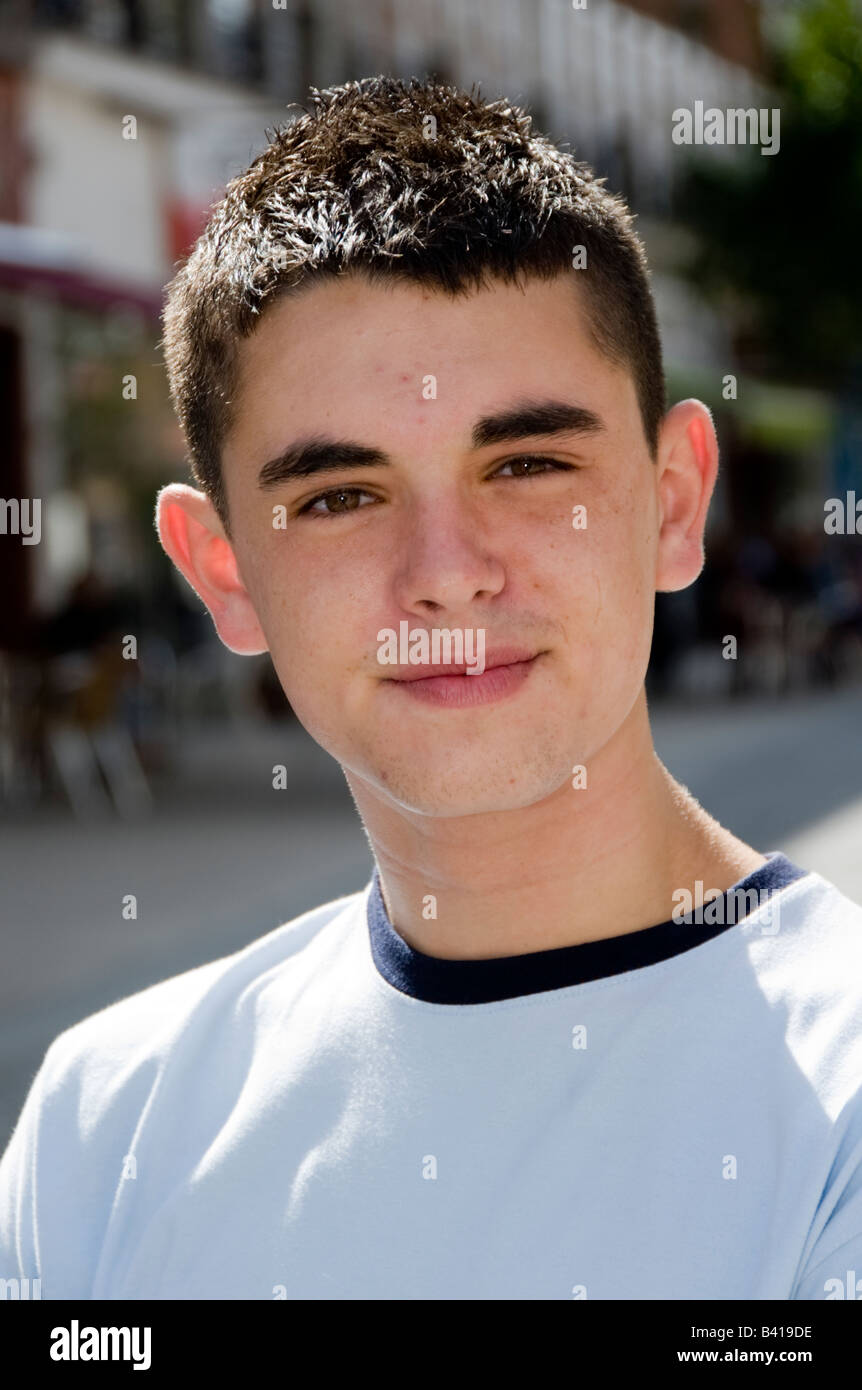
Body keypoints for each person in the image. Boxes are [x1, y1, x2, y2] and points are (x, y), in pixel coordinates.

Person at [2, 76, 861, 1301]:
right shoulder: (102, 1128)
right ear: (223, 572)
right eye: (341, 496)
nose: (447, 576)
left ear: (674, 504)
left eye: (527, 462)